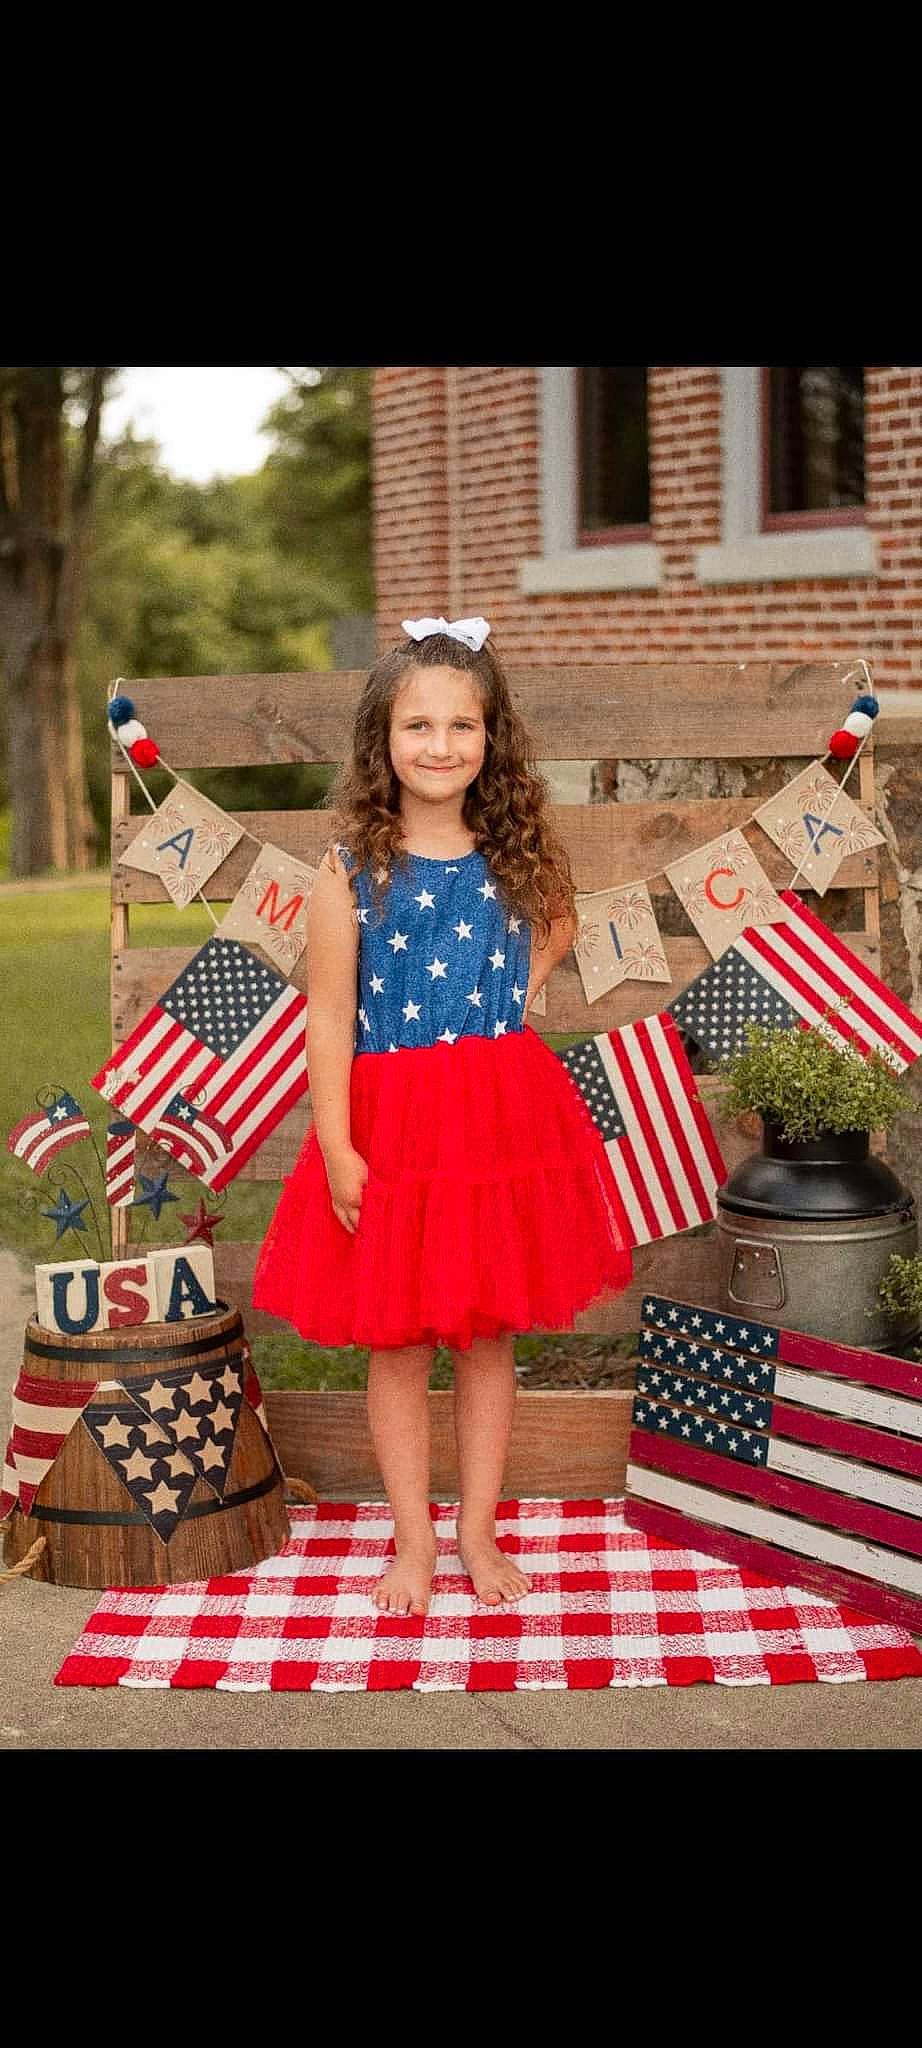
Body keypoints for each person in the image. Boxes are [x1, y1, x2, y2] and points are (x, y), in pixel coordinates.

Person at [252, 617, 633, 1619]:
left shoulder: (514, 851)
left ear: (491, 735)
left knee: (489, 1333)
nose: (439, 745)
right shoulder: (350, 868)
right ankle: (414, 1537)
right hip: (393, 1128)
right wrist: (338, 1146)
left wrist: (510, 998)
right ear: (381, 738)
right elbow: (327, 1016)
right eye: (417, 725)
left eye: (462, 725)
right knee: (400, 1339)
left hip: (499, 1122)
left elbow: (560, 920)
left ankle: (477, 1529)